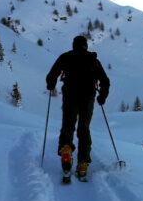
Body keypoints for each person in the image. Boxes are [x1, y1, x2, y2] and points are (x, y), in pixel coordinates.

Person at [46, 35, 110, 180]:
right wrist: (102, 97)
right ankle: (83, 163)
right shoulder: (93, 60)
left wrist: (51, 84)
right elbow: (105, 81)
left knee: (68, 125)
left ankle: (66, 151)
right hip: (88, 98)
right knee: (84, 128)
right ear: (86, 46)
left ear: (73, 45)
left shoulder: (65, 57)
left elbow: (52, 74)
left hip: (70, 96)